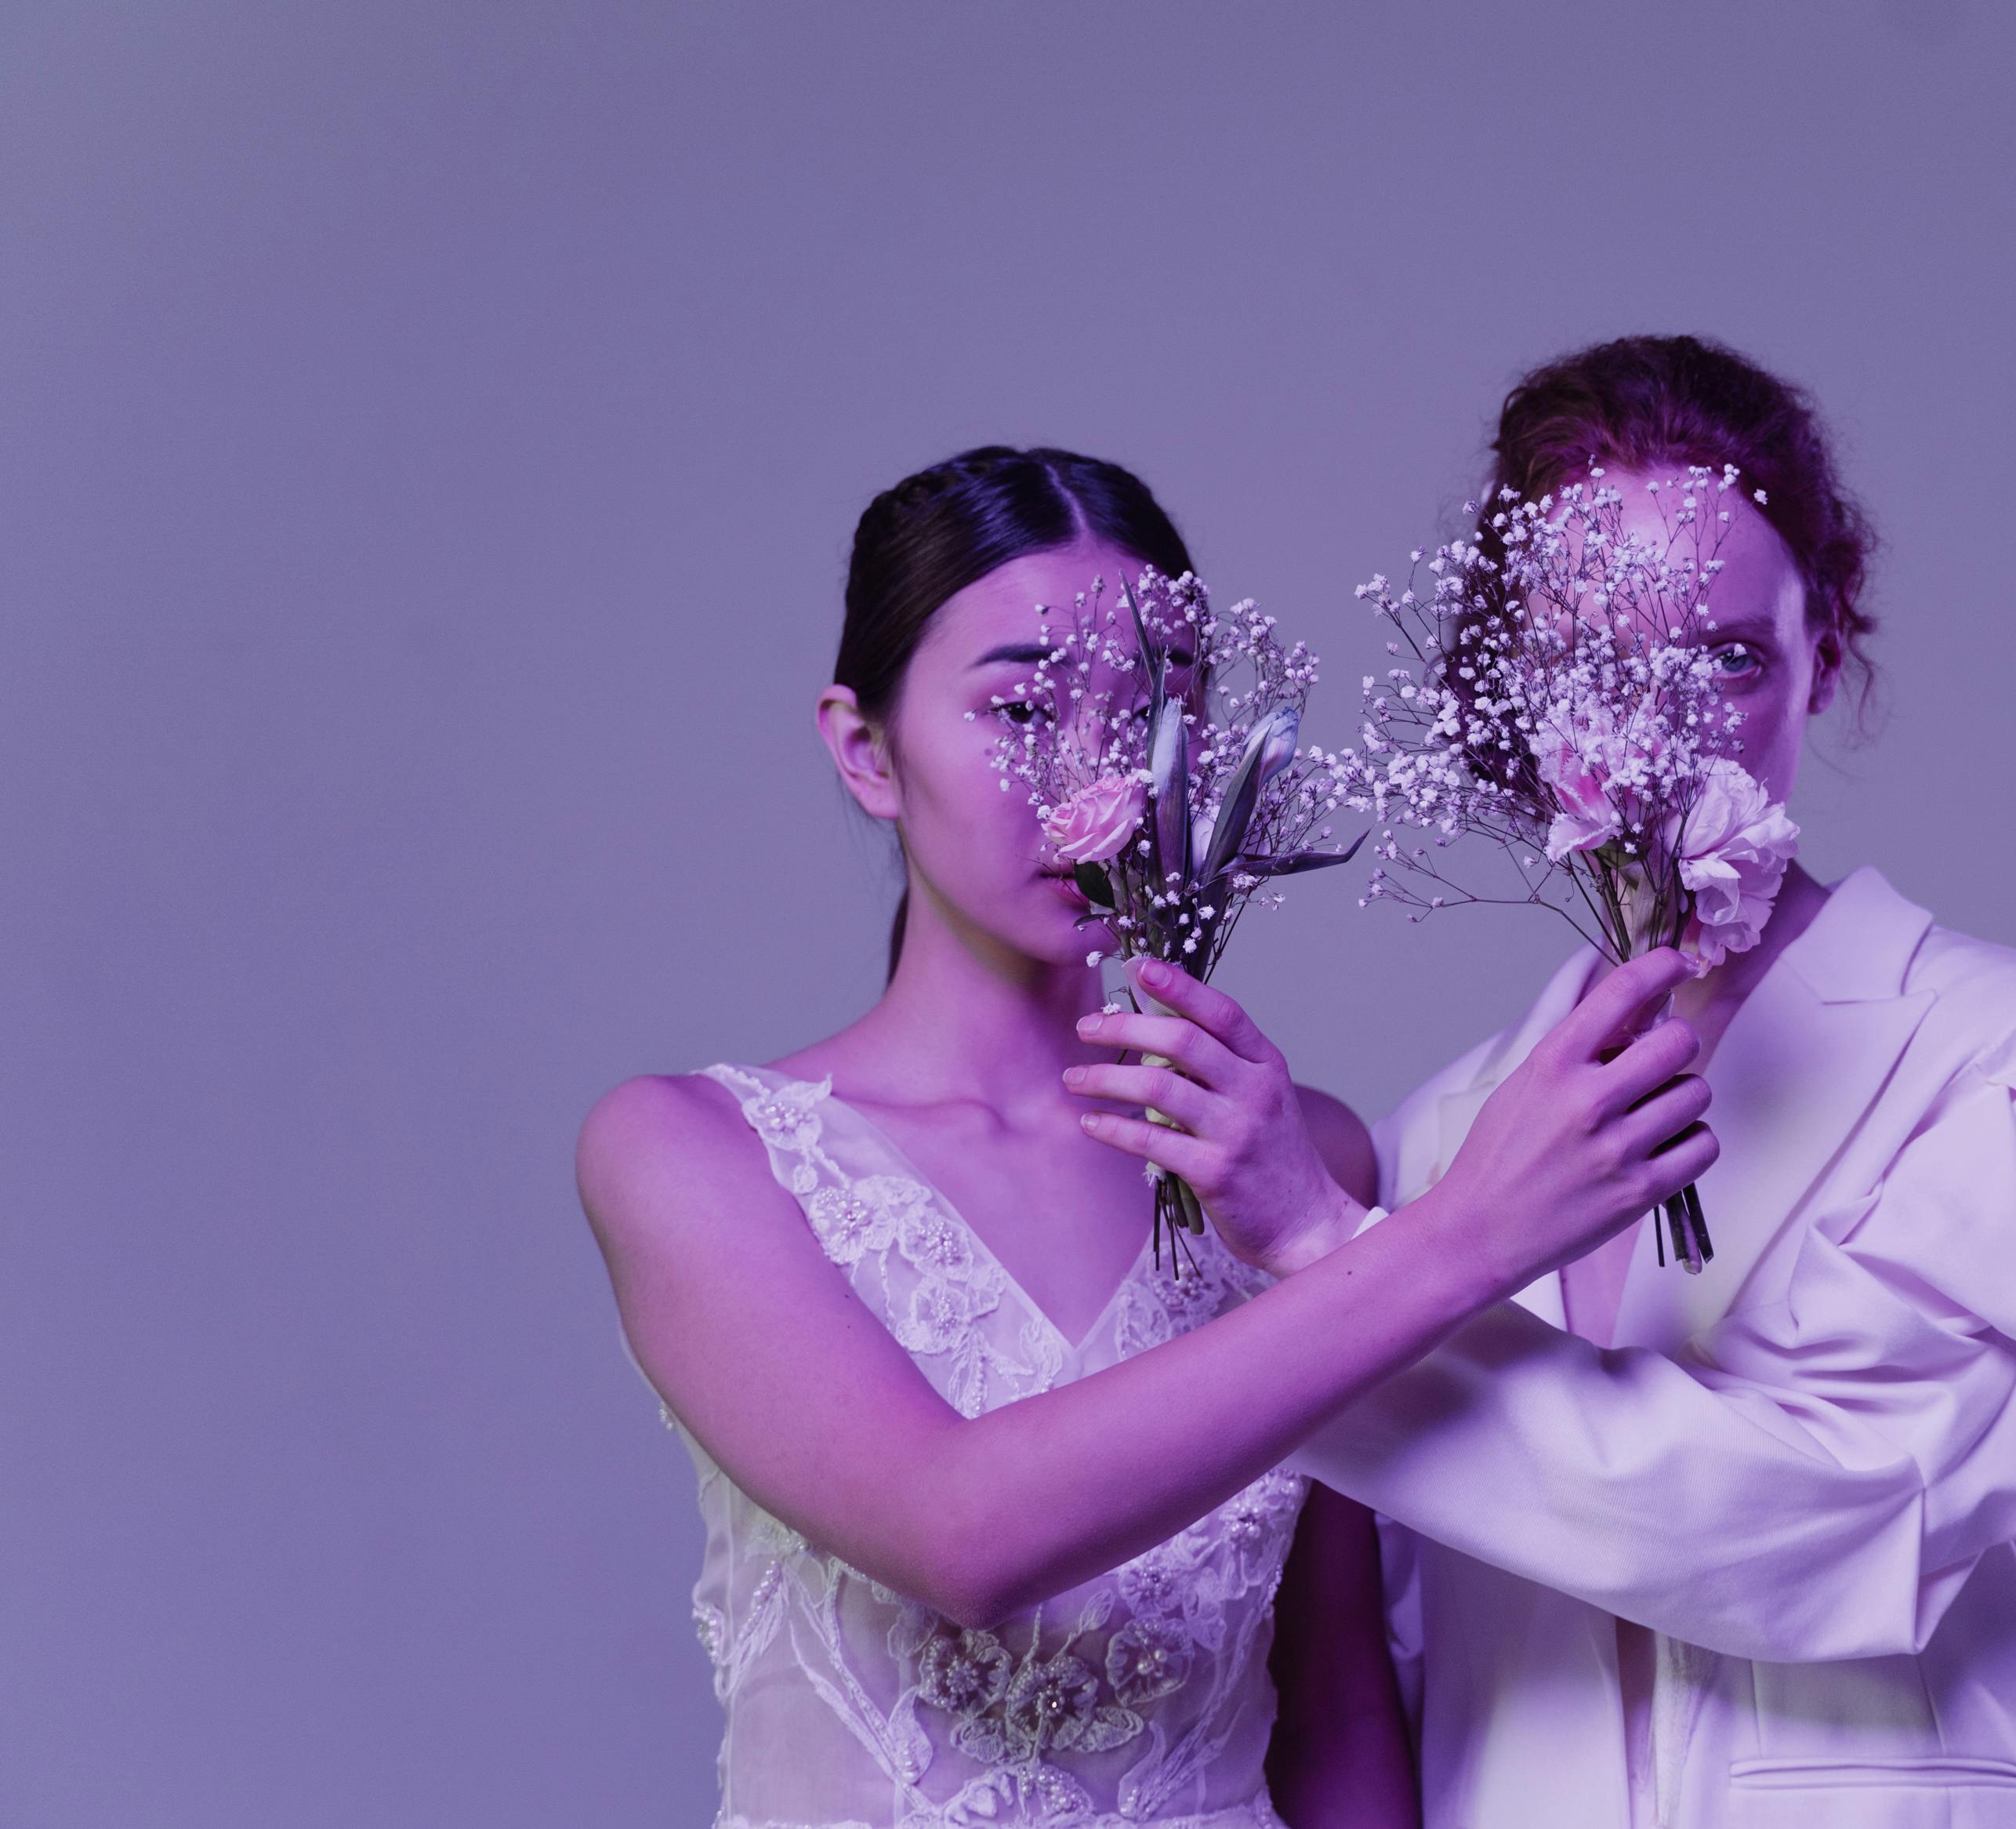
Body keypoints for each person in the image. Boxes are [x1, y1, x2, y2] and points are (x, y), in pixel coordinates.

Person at [1103, 339, 2016, 1828]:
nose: (1660, 730)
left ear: (1824, 653)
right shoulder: (1446, 1135)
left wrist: (1343, 1260)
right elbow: (1372, 1671)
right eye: (1591, 664)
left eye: (1726, 657)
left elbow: (1820, 1522)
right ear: (1506, 687)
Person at [575, 445, 1721, 1828]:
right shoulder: (692, 1152)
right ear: (865, 749)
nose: (1096, 783)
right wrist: (1459, 1240)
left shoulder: (1303, 1167)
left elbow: (1338, 1706)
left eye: (1157, 712)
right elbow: (960, 1532)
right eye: (1019, 708)